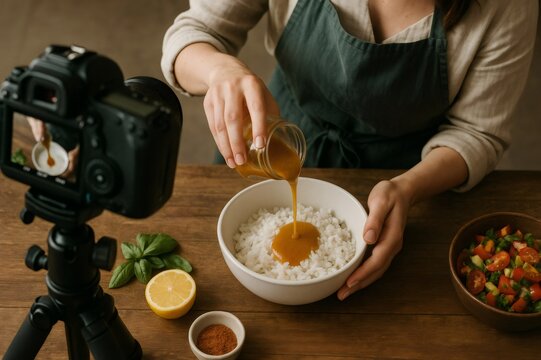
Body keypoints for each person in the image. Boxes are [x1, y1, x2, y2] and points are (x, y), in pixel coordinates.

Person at [161, 0, 538, 300]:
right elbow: (194, 33)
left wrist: (407, 189)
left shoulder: (507, 7)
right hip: (272, 145)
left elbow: (477, 133)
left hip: (401, 178)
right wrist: (219, 71)